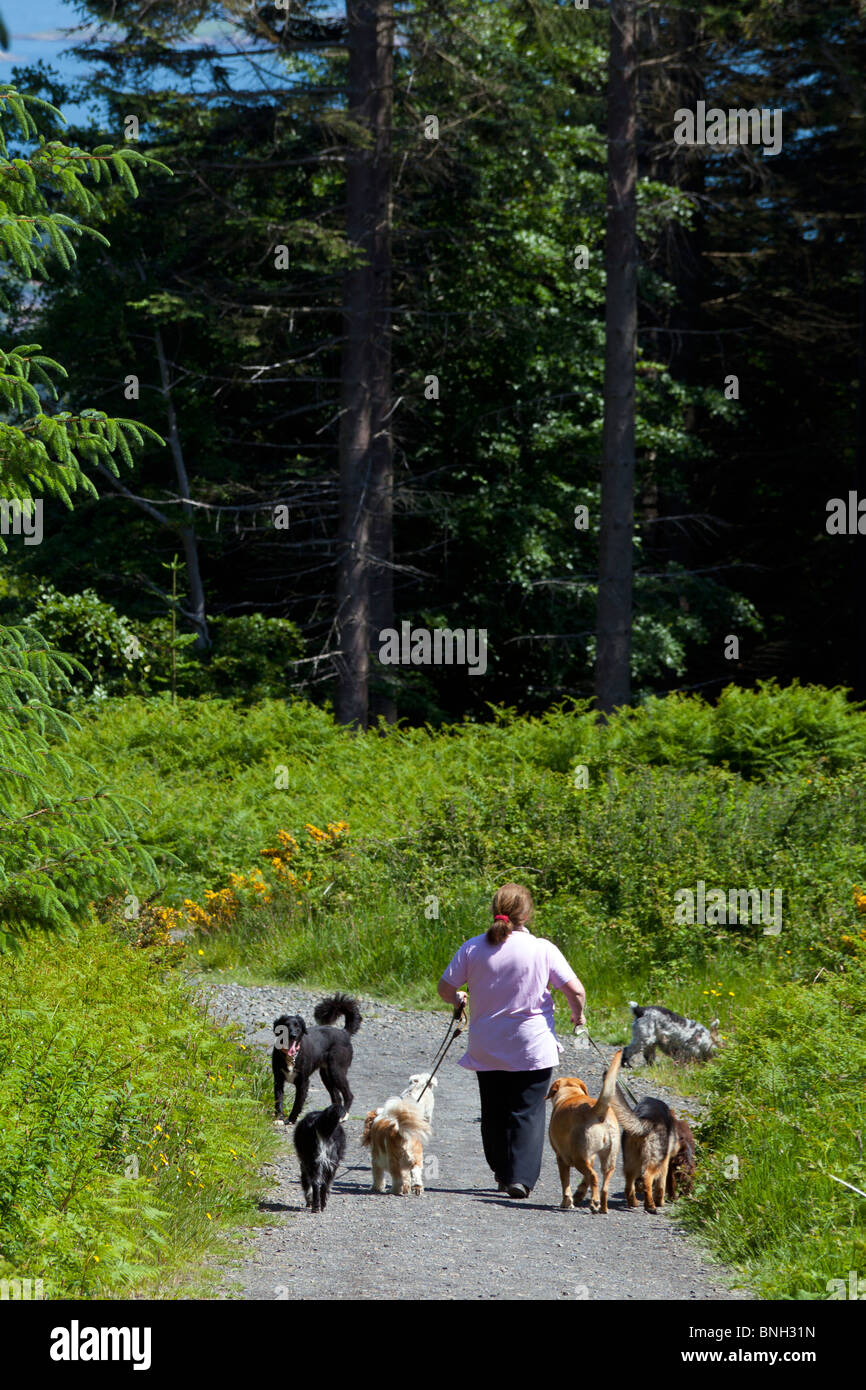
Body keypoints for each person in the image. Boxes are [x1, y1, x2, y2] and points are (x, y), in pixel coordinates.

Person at [437, 881, 586, 1199]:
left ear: (495, 911)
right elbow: (576, 991)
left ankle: (502, 1172)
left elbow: (445, 987)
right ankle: (520, 1178)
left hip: (487, 1045)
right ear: (526, 914)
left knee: (493, 1110)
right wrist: (577, 1016)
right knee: (527, 1111)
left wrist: (458, 999)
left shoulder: (473, 947)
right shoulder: (543, 949)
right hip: (531, 1046)